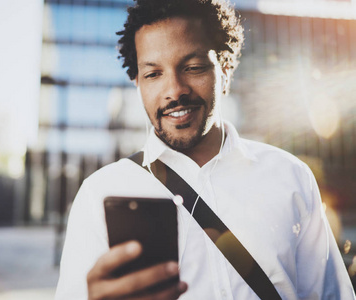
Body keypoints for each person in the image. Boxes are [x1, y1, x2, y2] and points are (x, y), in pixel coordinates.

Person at [55, 0, 355, 299]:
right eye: (153, 74)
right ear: (137, 85)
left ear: (224, 71)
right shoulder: (99, 193)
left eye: (193, 67)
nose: (174, 89)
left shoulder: (291, 176)